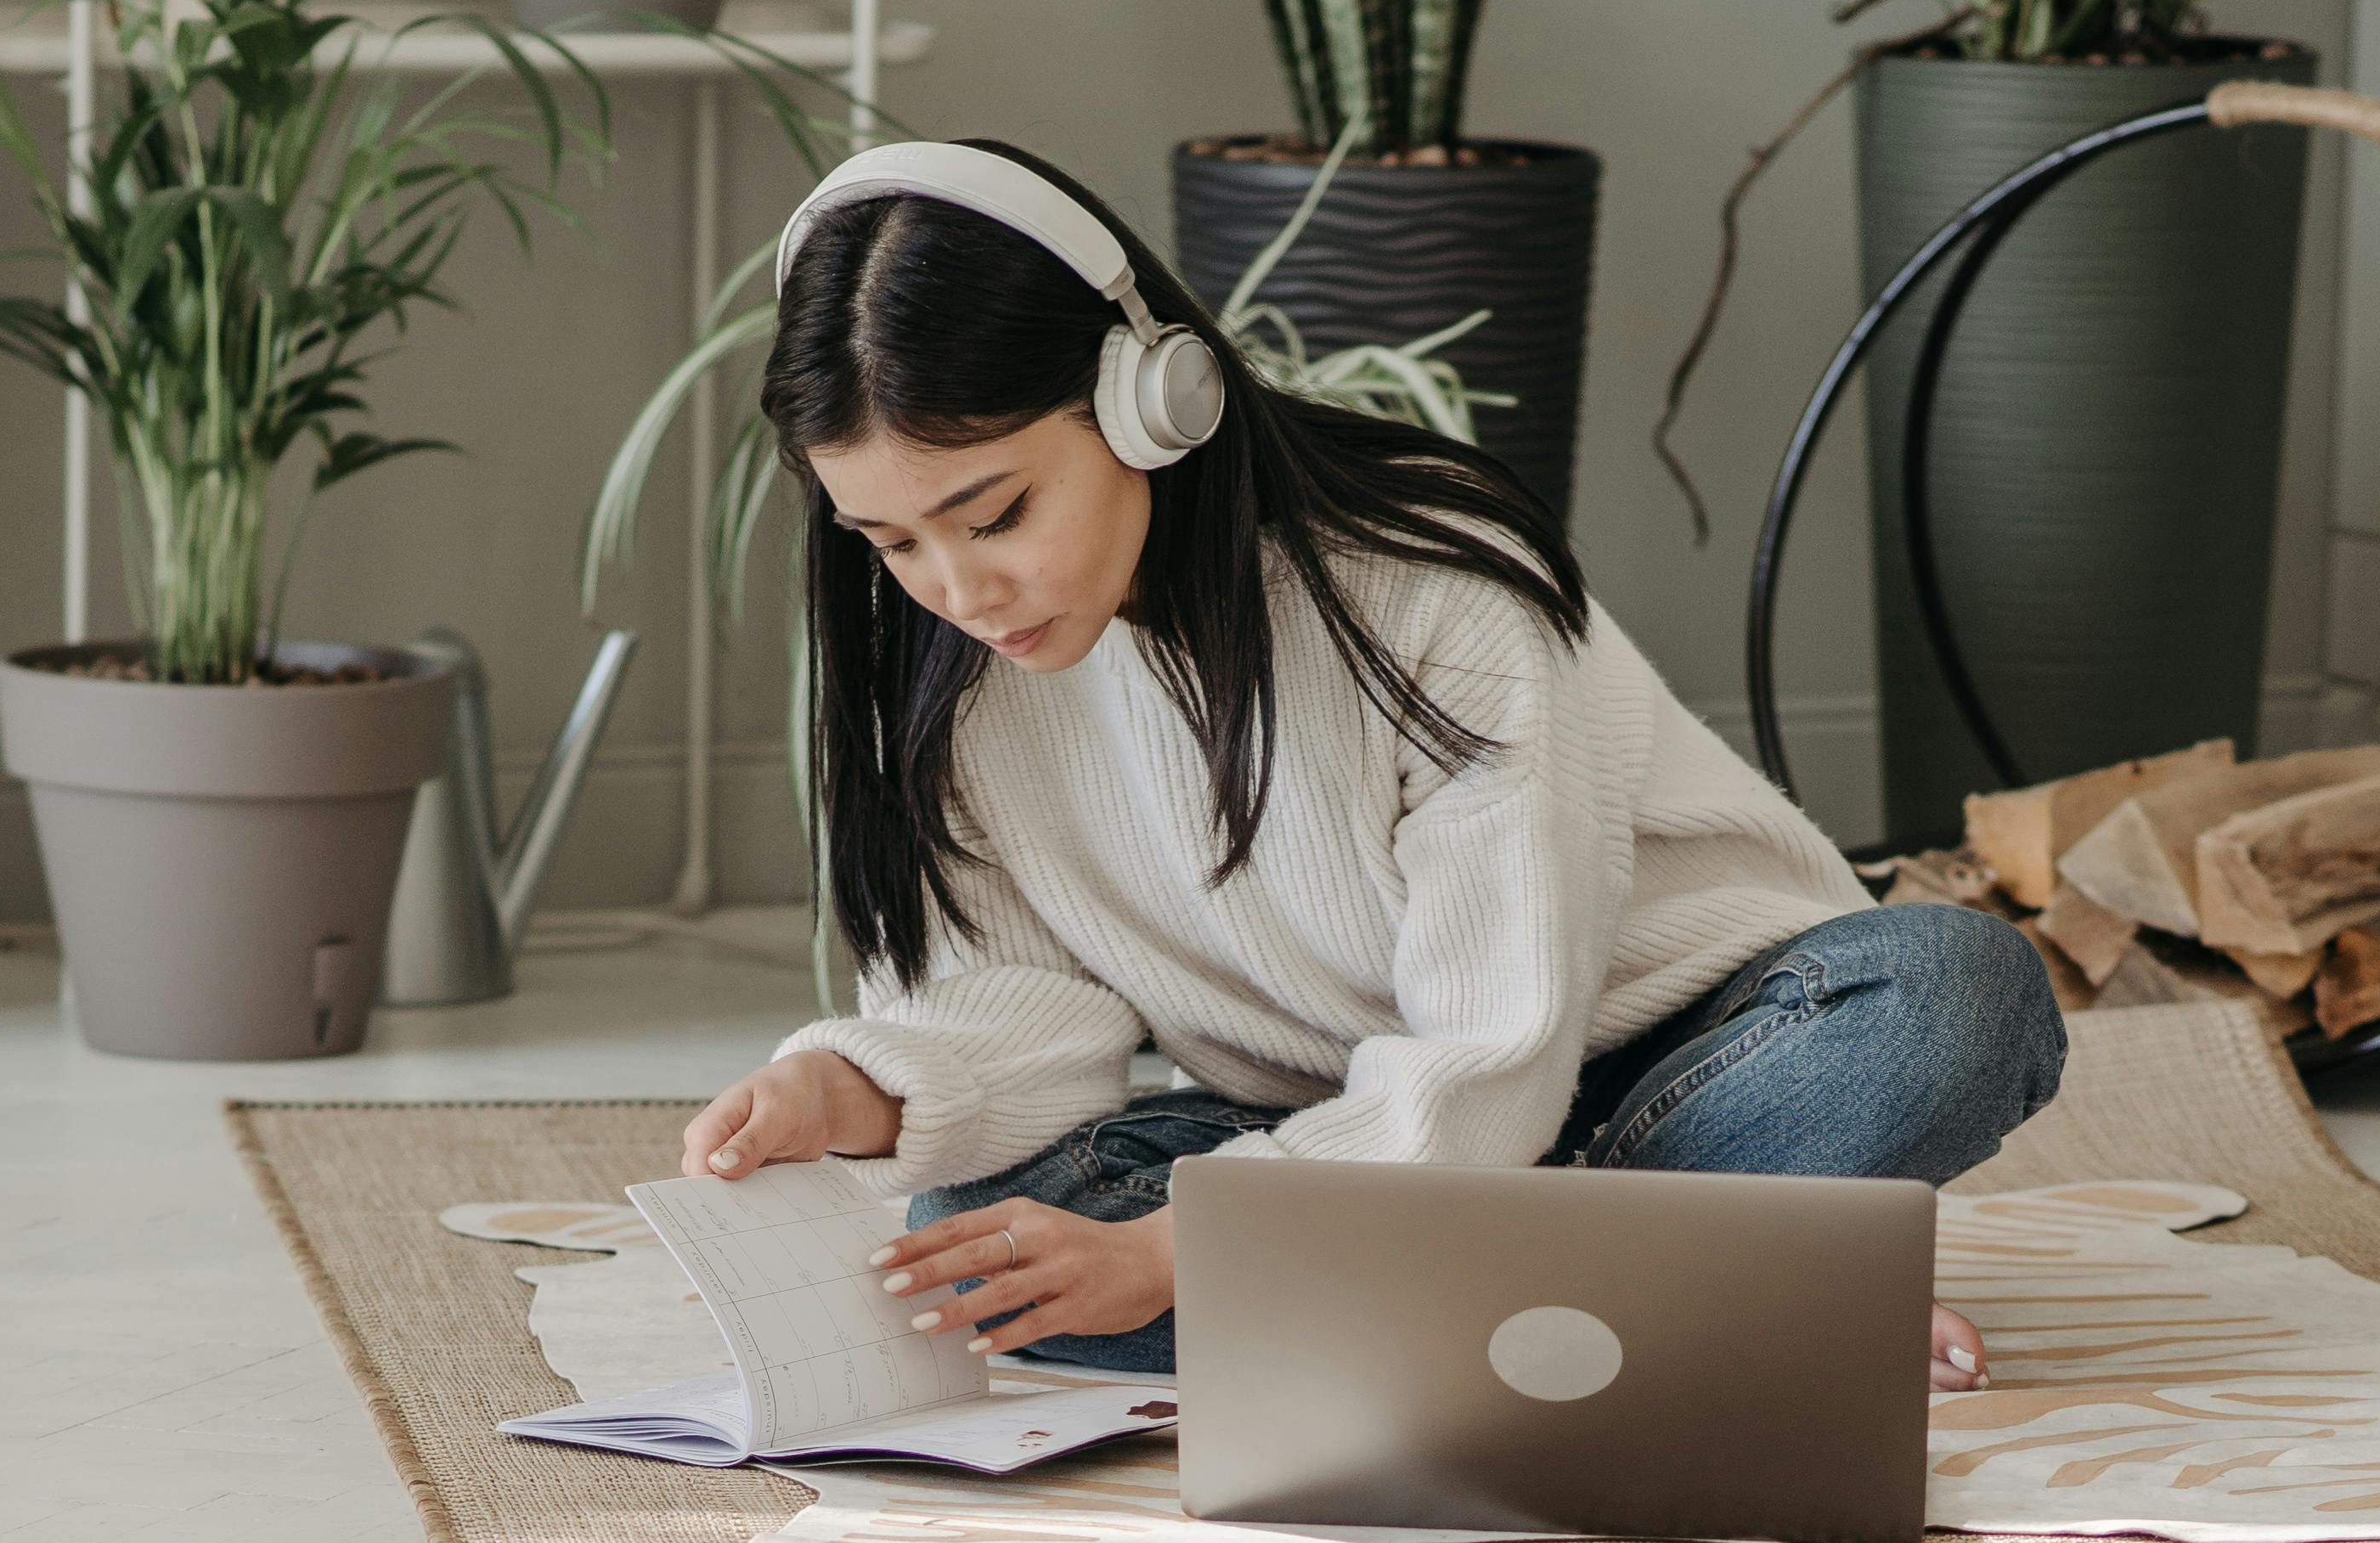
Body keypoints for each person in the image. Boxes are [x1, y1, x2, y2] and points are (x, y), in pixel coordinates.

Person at [681, 138, 2061, 1392]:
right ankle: (1711, 1273)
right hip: (1349, 1129)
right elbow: (1022, 1014)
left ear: (1153, 396)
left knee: (1956, 997)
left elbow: (1493, 1050)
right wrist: (851, 1093)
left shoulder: (1434, 588)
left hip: (1681, 1048)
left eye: (995, 514)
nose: (958, 587)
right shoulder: (950, 683)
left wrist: (1187, 1258)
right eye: (891, 543)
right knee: (982, 1249)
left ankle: (1538, 1279)